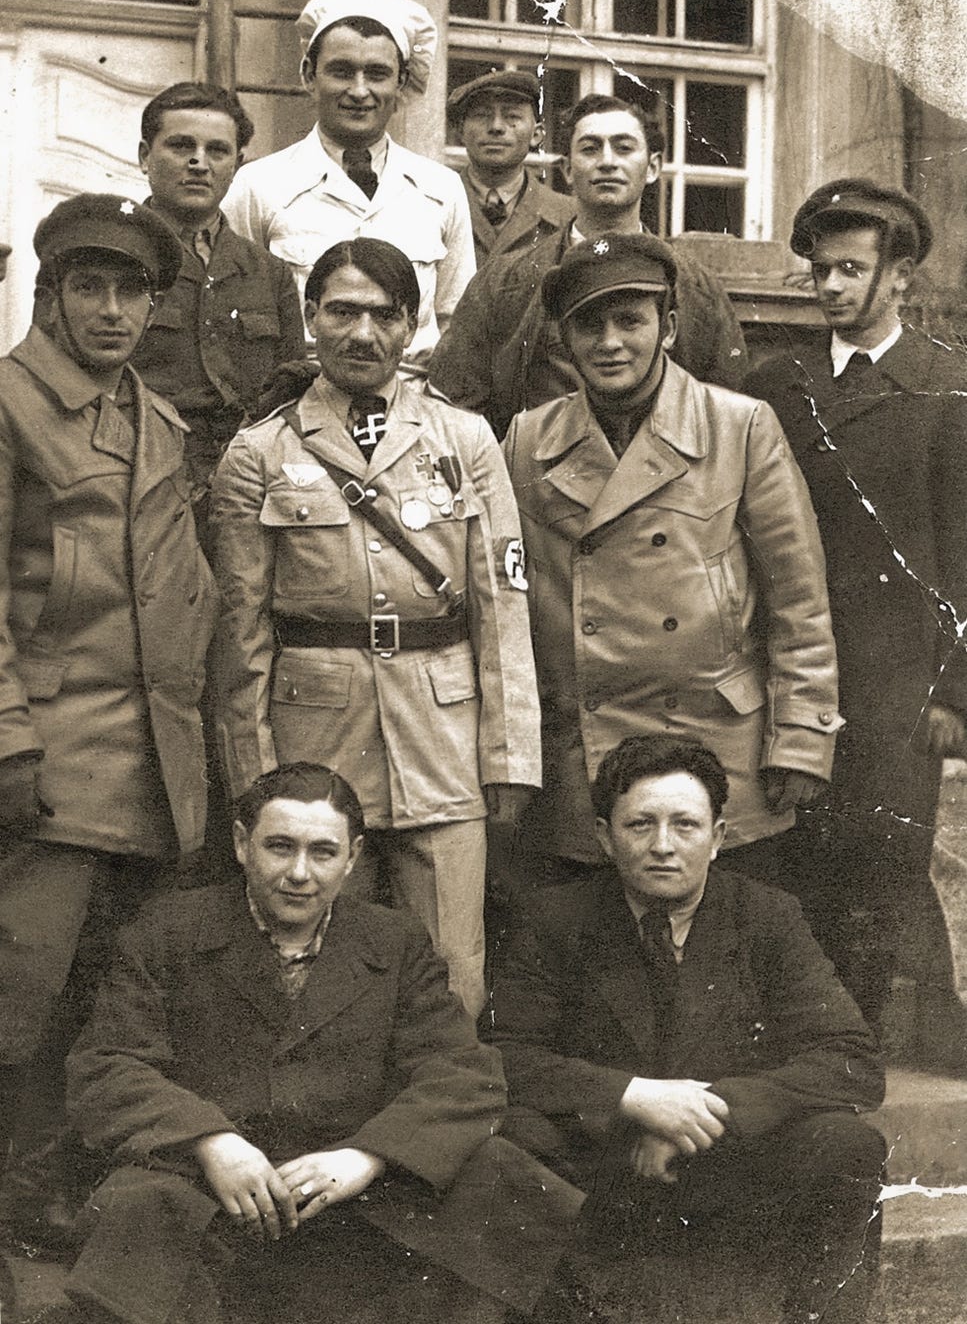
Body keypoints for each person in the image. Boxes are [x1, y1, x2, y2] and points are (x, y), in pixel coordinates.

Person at [52, 763, 576, 1324]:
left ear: (352, 858)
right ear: (240, 845)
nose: (300, 873)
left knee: (505, 1178)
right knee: (139, 1206)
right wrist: (210, 1142)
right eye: (280, 847)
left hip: (345, 1188)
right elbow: (108, 1063)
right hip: (205, 1187)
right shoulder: (169, 929)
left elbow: (463, 1073)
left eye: (323, 853)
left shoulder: (392, 940)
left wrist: (367, 1156)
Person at [210, 238, 540, 1017]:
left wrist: (509, 755)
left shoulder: (464, 440)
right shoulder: (260, 452)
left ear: (413, 325)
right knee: (311, 960)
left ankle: (441, 1117)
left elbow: (502, 601)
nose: (363, 333)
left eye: (383, 315)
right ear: (311, 320)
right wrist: (254, 779)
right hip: (314, 739)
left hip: (445, 736)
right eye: (342, 311)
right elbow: (241, 635)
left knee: (450, 968)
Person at [490, 735, 886, 1324]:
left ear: (719, 836)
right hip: (602, 1165)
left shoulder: (768, 915)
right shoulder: (554, 918)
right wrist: (637, 1100)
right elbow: (503, 1053)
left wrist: (708, 1110)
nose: (663, 848)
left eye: (686, 825)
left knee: (849, 1144)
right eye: (640, 825)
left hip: (724, 1158)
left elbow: (850, 1058)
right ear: (604, 836)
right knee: (509, 1140)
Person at [0, 195, 218, 1234]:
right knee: (21, 995)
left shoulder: (158, 420)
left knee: (110, 1002)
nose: (112, 309)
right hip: (45, 761)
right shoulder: (8, 405)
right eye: (89, 285)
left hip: (147, 769)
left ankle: (59, 1185)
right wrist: (6, 739)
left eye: (133, 288)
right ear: (50, 294)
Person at [502, 233, 841, 879]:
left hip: (716, 748)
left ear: (668, 326)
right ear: (562, 340)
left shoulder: (739, 426)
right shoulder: (527, 440)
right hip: (585, 759)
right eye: (588, 325)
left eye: (629, 320)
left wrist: (801, 738)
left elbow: (798, 600)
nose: (609, 343)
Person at [743, 179, 967, 1037]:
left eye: (850, 270)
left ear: (899, 278)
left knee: (877, 876)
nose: (831, 288)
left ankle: (850, 1056)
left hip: (896, 686)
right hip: (791, 671)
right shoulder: (775, 387)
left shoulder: (947, 389)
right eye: (819, 272)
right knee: (786, 863)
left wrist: (953, 694)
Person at [429, 93, 747, 438]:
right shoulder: (505, 281)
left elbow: (727, 410)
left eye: (624, 148)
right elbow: (454, 405)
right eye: (590, 149)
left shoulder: (695, 287)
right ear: (566, 169)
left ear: (653, 167)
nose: (607, 162)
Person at [222, 0, 475, 371]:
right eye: (341, 72)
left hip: (412, 403)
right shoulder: (257, 186)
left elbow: (455, 319)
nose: (359, 91)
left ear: (401, 82)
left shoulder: (440, 188)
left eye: (377, 73)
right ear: (309, 75)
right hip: (299, 402)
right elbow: (233, 313)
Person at [131, 82, 304, 510]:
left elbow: (292, 390)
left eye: (217, 150)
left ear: (238, 163)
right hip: (140, 478)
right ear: (143, 156)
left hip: (249, 486)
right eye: (180, 146)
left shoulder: (269, 272)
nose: (198, 163)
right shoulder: (112, 262)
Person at [447, 69, 573, 267]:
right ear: (460, 131)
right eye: (482, 115)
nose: (496, 127)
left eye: (512, 116)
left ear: (536, 135)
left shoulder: (569, 216)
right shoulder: (434, 206)